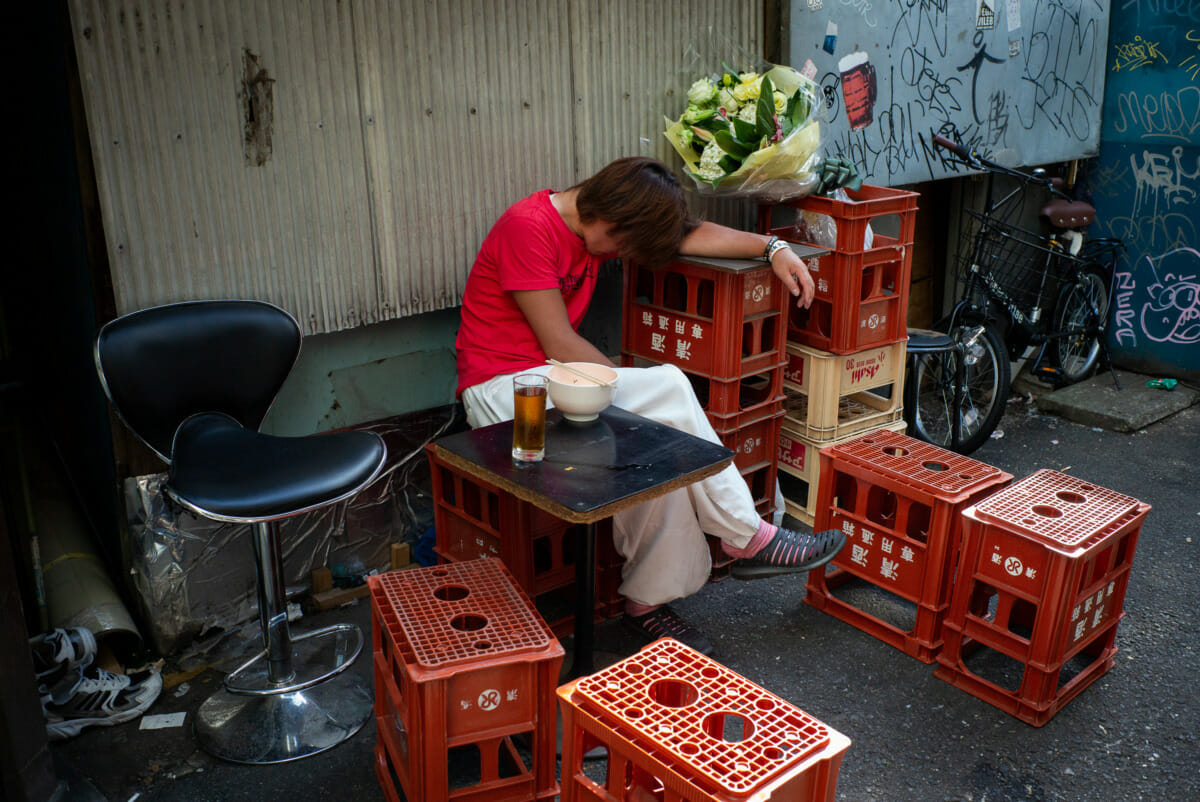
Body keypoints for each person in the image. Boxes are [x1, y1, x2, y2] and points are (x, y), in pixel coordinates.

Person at [455, 157, 845, 654]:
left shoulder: (597, 223)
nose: (620, 254)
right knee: (666, 387)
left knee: (658, 448)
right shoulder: (526, 228)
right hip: (505, 396)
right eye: (622, 244)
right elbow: (559, 341)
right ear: (611, 221)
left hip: (552, 383)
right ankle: (746, 535)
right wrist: (619, 392)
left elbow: (688, 233)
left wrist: (774, 247)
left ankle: (647, 601)